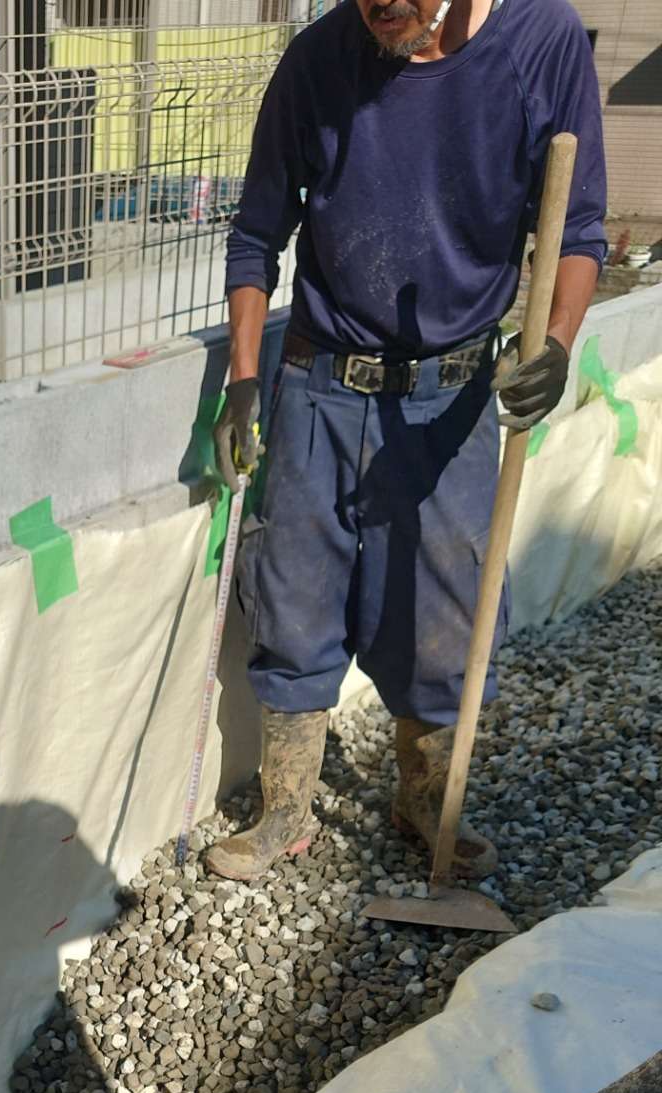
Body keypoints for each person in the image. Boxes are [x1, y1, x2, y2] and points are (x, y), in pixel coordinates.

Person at [206, 0, 606, 881]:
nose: (384, 9)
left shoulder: (541, 45)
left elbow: (577, 232)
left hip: (451, 395)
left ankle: (425, 802)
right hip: (319, 381)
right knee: (294, 600)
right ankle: (287, 811)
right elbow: (256, 234)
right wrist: (241, 383)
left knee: (444, 616)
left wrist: (553, 345)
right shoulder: (318, 61)